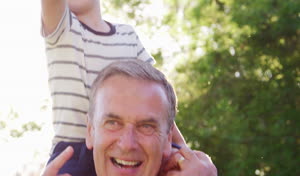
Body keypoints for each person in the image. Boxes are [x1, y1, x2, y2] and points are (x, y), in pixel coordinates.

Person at [23, 0, 185, 175]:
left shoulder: (127, 35)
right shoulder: (61, 30)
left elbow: (158, 100)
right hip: (74, 151)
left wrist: (184, 152)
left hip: (130, 141)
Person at [42, 60, 217, 176]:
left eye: (146, 126)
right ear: (90, 131)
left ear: (168, 139)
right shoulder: (67, 166)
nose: (127, 144)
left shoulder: (188, 169)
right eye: (112, 123)